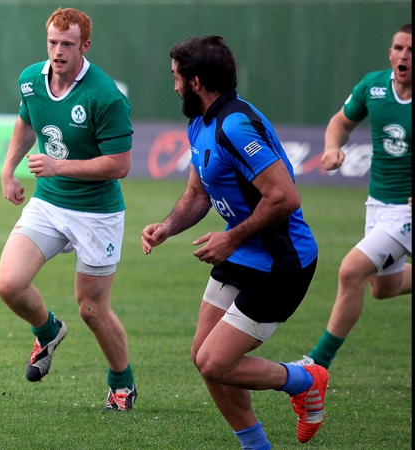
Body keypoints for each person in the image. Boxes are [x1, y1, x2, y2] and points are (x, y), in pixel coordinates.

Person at [141, 36, 329, 448]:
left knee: (214, 361)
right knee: (204, 359)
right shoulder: (200, 121)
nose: (172, 86)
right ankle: (255, 446)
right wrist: (168, 227)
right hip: (244, 253)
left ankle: (305, 379)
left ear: (195, 82)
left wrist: (230, 238)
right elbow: (197, 194)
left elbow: (284, 196)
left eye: (176, 78)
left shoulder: (235, 125)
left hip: (283, 263)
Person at [0, 8, 136, 411]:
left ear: (84, 46)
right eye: (53, 42)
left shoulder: (105, 95)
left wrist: (58, 165)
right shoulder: (29, 80)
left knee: (92, 308)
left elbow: (120, 164)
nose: (58, 51)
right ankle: (49, 329)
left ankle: (122, 382)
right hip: (49, 203)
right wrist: (8, 170)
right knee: (9, 284)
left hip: (97, 214)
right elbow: (27, 122)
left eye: (67, 44)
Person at [292, 24, 412, 370]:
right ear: (390, 52)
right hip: (377, 204)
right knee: (383, 288)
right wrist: (331, 148)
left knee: (350, 272)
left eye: (411, 50)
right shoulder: (373, 86)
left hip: (405, 210)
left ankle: (317, 364)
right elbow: (340, 123)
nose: (403, 55)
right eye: (398, 48)